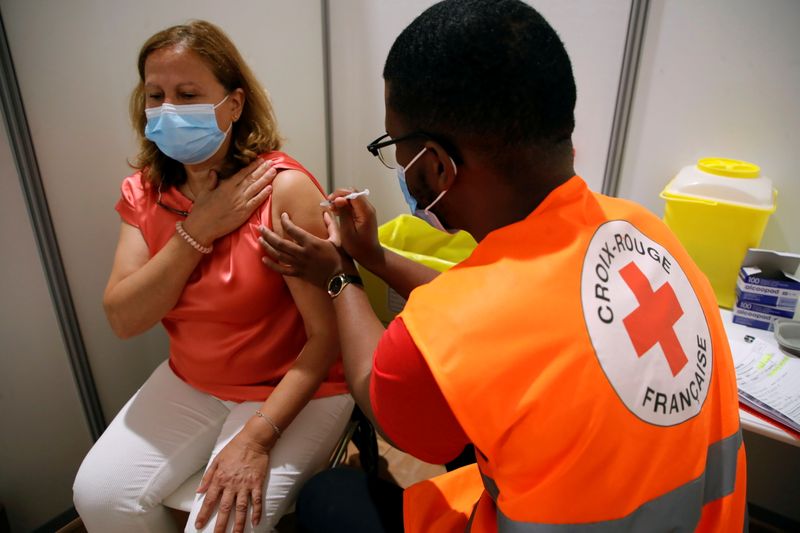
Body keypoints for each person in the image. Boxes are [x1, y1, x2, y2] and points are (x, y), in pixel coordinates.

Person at [258, 0, 747, 531]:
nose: (395, 161)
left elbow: (379, 393)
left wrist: (341, 276)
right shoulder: (645, 231)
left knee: (329, 497)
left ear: (438, 165)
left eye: (395, 145)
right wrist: (374, 257)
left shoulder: (461, 322)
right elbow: (505, 323)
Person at [72, 20, 353, 533]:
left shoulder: (282, 190)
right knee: (99, 499)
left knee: (221, 526)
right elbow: (125, 317)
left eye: (188, 94)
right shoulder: (145, 192)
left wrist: (257, 437)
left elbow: (328, 337)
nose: (169, 110)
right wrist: (197, 230)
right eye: (156, 95)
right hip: (194, 382)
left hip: (299, 386)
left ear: (234, 104)